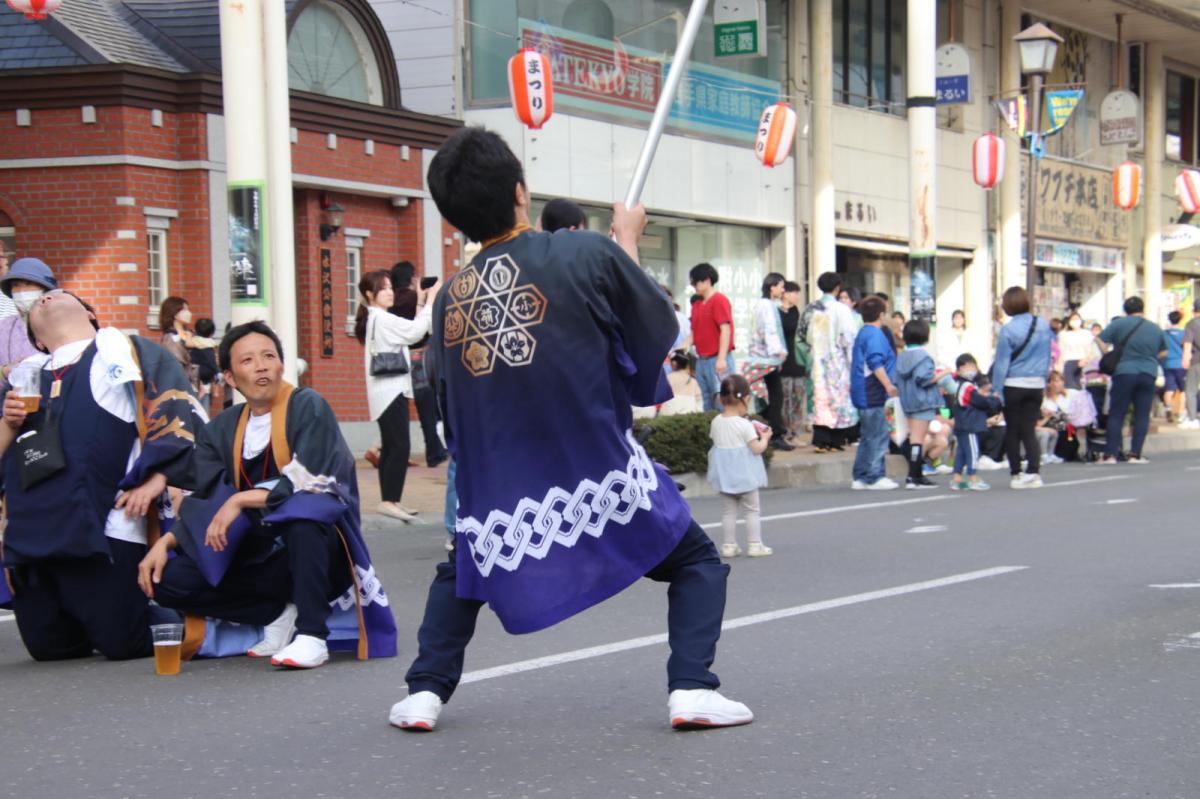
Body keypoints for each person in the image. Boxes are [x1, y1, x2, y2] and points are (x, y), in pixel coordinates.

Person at [389, 126, 752, 732]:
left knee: (466, 569)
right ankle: (691, 686)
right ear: (520, 191)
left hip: (501, 479)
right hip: (594, 464)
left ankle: (425, 691)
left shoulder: (449, 297)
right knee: (696, 563)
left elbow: (448, 396)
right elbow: (655, 324)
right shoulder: (584, 252)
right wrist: (628, 237)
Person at [139, 321, 397, 669]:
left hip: (319, 551)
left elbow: (313, 479)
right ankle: (278, 611)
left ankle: (312, 635)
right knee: (167, 580)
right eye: (247, 360)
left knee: (303, 515)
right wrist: (165, 543)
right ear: (230, 378)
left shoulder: (308, 405)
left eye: (269, 356)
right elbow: (205, 497)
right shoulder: (221, 428)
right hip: (257, 554)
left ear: (280, 364)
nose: (261, 366)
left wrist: (241, 499)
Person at [0, 290, 202, 661]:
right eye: (38, 303)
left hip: (103, 528)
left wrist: (158, 479)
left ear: (91, 314)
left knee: (123, 643)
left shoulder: (123, 353)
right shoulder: (22, 381)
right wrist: (8, 424)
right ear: (37, 339)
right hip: (32, 539)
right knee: (52, 649)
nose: (47, 297)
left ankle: (190, 613)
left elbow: (180, 417)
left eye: (59, 292)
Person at [355, 269, 439, 522]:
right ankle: (389, 500)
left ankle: (391, 500)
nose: (390, 292)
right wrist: (432, 299)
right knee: (399, 447)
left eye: (391, 287)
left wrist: (422, 302)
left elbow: (411, 330)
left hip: (389, 389)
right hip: (389, 389)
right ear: (370, 294)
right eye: (384, 288)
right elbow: (415, 332)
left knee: (393, 447)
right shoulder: (381, 318)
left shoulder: (378, 318)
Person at [991, 286, 1053, 490]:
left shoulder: (1008, 330)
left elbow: (1001, 363)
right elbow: (1046, 358)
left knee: (1013, 431)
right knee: (1029, 429)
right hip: (1036, 383)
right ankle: (1034, 473)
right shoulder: (1042, 325)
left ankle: (1016, 473)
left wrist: (997, 390)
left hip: (1013, 383)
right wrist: (1043, 382)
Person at [390, 260, 449, 469]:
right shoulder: (413, 298)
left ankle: (432, 450)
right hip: (419, 358)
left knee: (404, 407)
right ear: (412, 278)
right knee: (427, 406)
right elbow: (425, 327)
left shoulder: (392, 302)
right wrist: (424, 299)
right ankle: (434, 451)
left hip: (398, 358)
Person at [1096, 297, 1169, 464]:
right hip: (1148, 373)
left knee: (1117, 413)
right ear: (1142, 309)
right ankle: (1135, 454)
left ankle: (1110, 455)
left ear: (1125, 310)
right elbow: (1164, 352)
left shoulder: (1119, 324)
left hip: (1124, 372)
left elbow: (1100, 338)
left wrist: (1106, 352)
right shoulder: (1155, 328)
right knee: (1142, 414)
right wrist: (1151, 359)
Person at [707, 374, 772, 559]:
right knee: (751, 510)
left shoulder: (716, 422)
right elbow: (757, 448)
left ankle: (729, 545)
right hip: (745, 476)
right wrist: (765, 438)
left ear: (721, 398)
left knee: (728, 512)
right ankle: (754, 544)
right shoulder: (744, 425)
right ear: (746, 398)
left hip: (724, 475)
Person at [849, 295, 899, 490]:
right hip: (873, 391)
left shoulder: (863, 332)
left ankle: (860, 476)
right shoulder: (876, 335)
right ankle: (874, 475)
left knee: (868, 435)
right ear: (881, 314)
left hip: (863, 390)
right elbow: (875, 363)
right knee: (878, 434)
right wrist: (889, 385)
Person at [807, 271, 859, 452]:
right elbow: (847, 337)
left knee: (820, 398)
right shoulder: (841, 310)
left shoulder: (813, 308)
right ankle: (836, 440)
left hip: (817, 360)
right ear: (837, 288)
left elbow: (806, 336)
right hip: (837, 361)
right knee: (838, 398)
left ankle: (820, 439)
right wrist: (852, 361)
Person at [744, 272, 791, 450]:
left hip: (758, 358)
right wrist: (779, 353)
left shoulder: (760, 305)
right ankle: (775, 433)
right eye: (781, 286)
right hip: (767, 359)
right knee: (775, 396)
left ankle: (767, 431)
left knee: (764, 397)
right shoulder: (768, 307)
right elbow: (770, 330)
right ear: (772, 287)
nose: (782, 290)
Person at [945, 354, 1002, 491]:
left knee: (962, 452)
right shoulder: (967, 386)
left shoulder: (961, 385)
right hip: (969, 424)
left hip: (963, 423)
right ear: (959, 370)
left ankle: (957, 478)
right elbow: (979, 401)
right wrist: (994, 400)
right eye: (967, 366)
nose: (971, 369)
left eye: (973, 366)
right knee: (973, 451)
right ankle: (973, 477)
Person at [895, 320, 941, 489]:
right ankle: (914, 477)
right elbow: (924, 378)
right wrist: (943, 374)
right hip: (922, 401)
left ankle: (915, 476)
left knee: (914, 438)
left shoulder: (902, 357)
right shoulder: (923, 357)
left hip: (907, 401)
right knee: (917, 440)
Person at [0, 257, 56, 385]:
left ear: (45, 288)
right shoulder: (5, 327)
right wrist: (5, 371)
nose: (21, 291)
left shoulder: (64, 323)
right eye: (16, 286)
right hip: (13, 400)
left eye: (28, 284)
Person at [689, 262, 735, 412]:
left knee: (723, 401)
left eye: (696, 281)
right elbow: (694, 333)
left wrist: (721, 359)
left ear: (707, 281)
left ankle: (727, 434)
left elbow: (725, 330)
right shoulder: (697, 304)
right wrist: (678, 348)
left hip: (717, 358)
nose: (694, 285)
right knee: (707, 402)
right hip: (701, 360)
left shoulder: (719, 300)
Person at [777, 280, 808, 440]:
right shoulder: (775, 311)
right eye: (794, 292)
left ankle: (795, 431)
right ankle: (785, 431)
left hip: (798, 362)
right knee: (784, 399)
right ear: (785, 293)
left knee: (798, 399)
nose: (796, 296)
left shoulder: (797, 312)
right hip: (783, 363)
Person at [158, 296, 201, 396]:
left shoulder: (191, 334)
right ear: (175, 313)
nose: (189, 313)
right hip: (180, 385)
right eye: (184, 310)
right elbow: (176, 360)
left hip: (196, 383)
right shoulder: (170, 337)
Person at [1037, 370, 1070, 464]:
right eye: (1055, 381)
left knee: (1069, 429)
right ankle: (1048, 454)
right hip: (1049, 425)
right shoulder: (1044, 399)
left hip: (1065, 426)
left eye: (1061, 381)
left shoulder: (1067, 396)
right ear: (1049, 383)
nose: (1059, 384)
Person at [659, 351, 703, 416]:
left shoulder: (668, 377)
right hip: (688, 411)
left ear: (675, 364)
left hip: (669, 410)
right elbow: (698, 399)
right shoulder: (693, 381)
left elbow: (660, 394)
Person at [1058, 311, 1093, 390]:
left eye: (1077, 319)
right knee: (1070, 387)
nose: (1075, 321)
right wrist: (1059, 367)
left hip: (1083, 362)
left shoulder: (1086, 333)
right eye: (1073, 319)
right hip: (1068, 361)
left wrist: (1085, 359)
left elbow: (1090, 349)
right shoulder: (1063, 334)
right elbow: (1060, 350)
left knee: (1081, 386)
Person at [1162, 310, 1186, 421]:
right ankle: (1181, 413)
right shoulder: (1183, 333)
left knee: (1169, 388)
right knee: (1183, 390)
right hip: (1181, 363)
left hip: (1167, 363)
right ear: (1180, 319)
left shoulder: (1164, 333)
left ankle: (1168, 409)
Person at [1182, 300, 1200, 428]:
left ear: (1194, 310)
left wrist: (1185, 358)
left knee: (1191, 390)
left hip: (1197, 361)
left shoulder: (1191, 324)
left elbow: (1188, 343)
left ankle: (1193, 418)